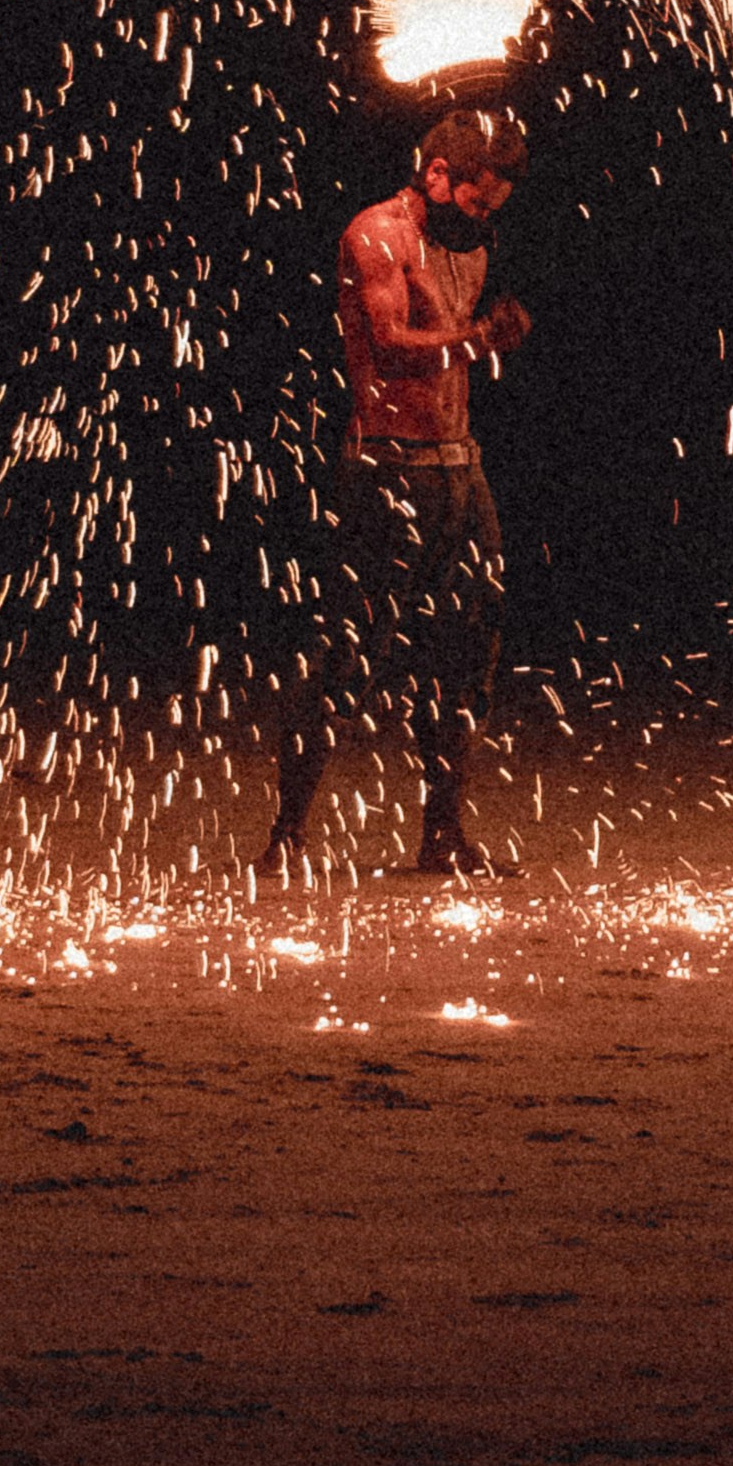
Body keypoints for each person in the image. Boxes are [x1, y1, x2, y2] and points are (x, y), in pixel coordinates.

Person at [258, 103, 530, 883]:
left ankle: (442, 834)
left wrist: (482, 334)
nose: (479, 219)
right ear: (436, 175)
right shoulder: (372, 234)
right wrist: (477, 339)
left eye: (491, 210)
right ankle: (287, 836)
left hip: (458, 469)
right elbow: (387, 343)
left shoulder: (467, 244)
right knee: (348, 649)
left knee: (465, 651)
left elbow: (452, 345)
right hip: (386, 468)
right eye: (474, 201)